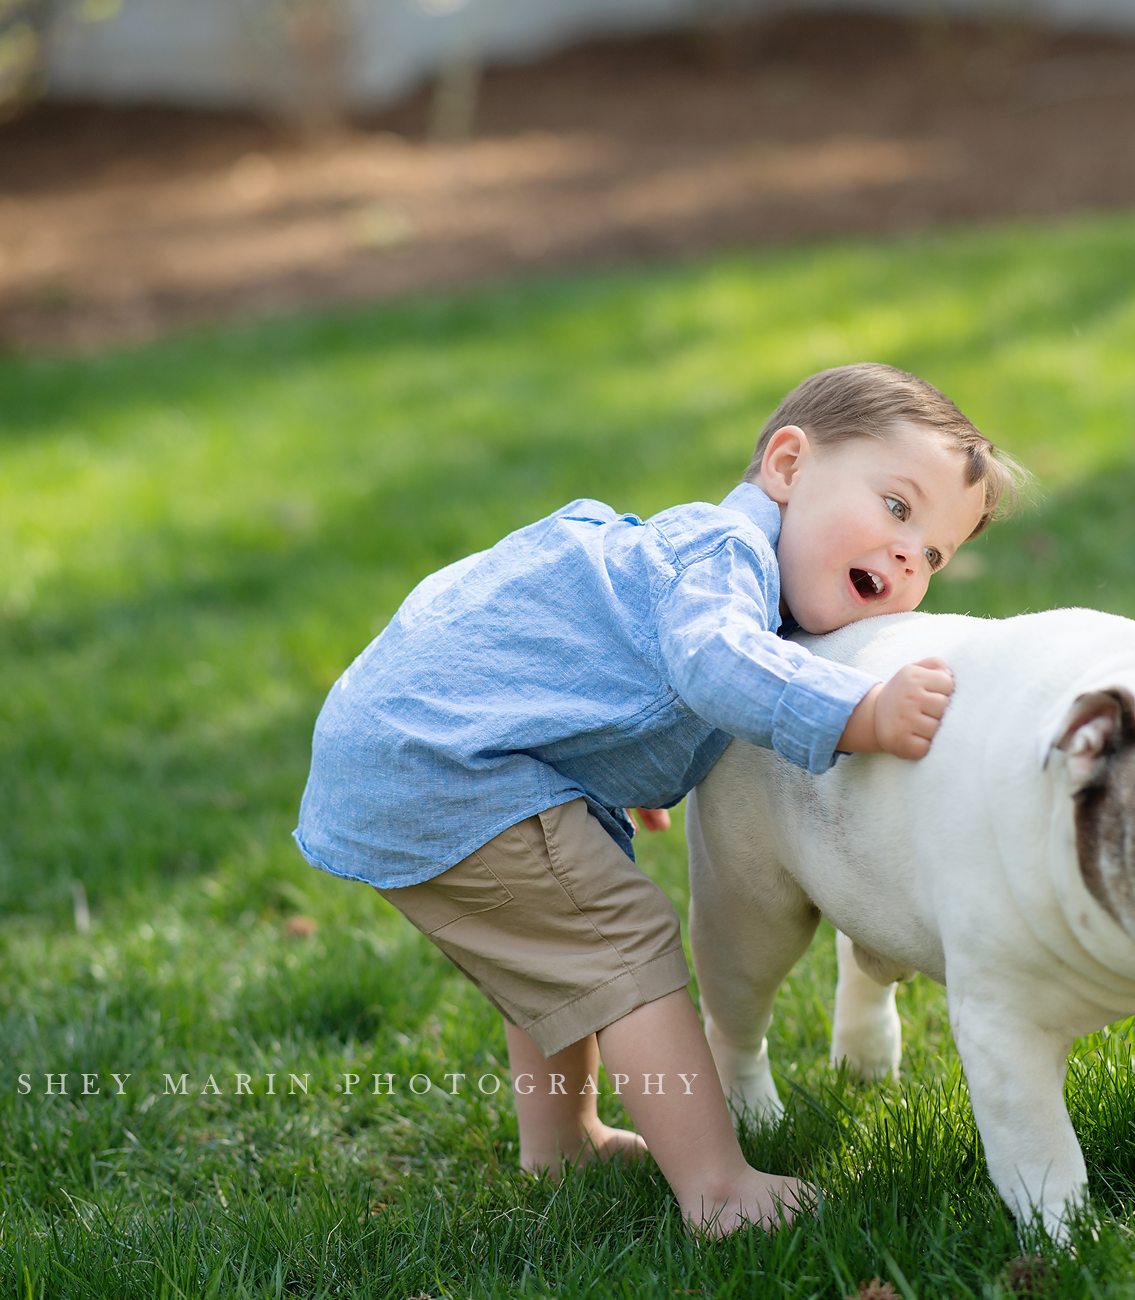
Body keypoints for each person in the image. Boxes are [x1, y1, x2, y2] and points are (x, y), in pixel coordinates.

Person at [293, 363, 1025, 1235]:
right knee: (621, 946)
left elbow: (601, 653)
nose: (912, 555)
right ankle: (718, 1190)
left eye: (936, 553)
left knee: (561, 949)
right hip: (448, 763)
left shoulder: (695, 558)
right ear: (788, 467)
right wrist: (858, 711)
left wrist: (614, 759)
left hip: (430, 746)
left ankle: (561, 1144)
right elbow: (716, 663)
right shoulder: (726, 554)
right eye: (898, 508)